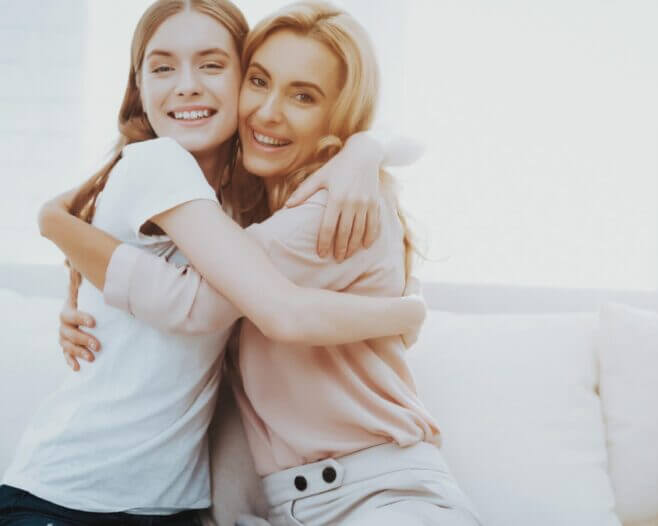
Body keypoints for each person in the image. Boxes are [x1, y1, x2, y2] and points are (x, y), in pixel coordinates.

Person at [54, 2, 482, 525]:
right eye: (259, 81)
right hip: (299, 503)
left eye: (303, 96)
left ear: (338, 114)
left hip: (380, 501)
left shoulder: (326, 211)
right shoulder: (243, 210)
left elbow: (189, 304)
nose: (268, 112)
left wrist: (55, 224)